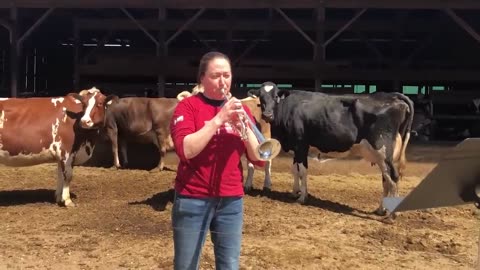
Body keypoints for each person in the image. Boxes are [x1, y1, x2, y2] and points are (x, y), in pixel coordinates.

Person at [169, 51, 265, 270]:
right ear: (202, 78)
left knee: (230, 265)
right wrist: (219, 119)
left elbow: (259, 159)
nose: (223, 81)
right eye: (215, 76)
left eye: (227, 75)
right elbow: (185, 150)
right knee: (186, 265)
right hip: (193, 198)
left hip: (231, 201)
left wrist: (245, 125)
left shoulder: (242, 109)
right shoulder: (188, 107)